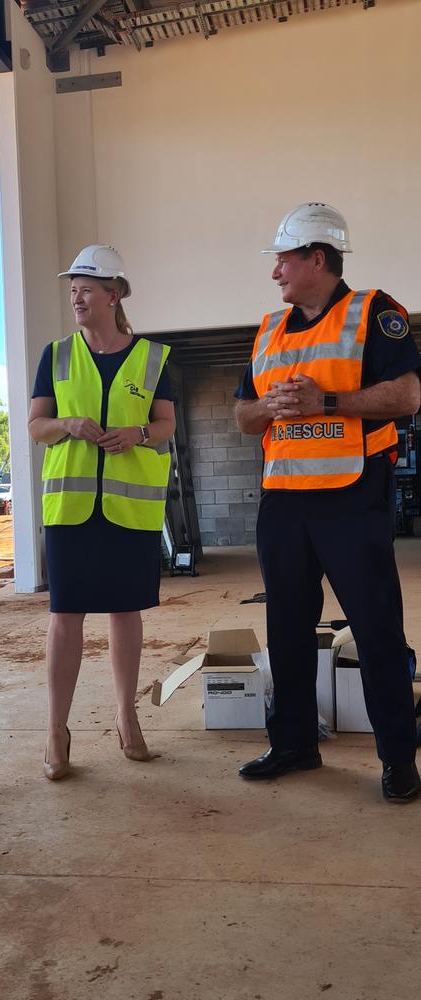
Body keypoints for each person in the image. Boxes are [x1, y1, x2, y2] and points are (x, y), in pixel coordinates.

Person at [235, 202, 421, 802]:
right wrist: (268, 409)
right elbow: (243, 415)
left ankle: (397, 756)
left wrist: (328, 404)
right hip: (284, 502)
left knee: (375, 629)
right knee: (286, 627)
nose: (275, 273)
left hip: (350, 498)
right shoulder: (267, 330)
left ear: (318, 258)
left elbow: (407, 396)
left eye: (283, 260)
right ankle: (293, 743)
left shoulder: (375, 313)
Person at [28, 245, 176, 779]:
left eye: (86, 288)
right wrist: (67, 424)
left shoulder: (154, 357)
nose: (76, 296)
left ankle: (126, 716)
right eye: (73, 289)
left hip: (128, 511)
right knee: (65, 618)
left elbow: (165, 426)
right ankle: (56, 731)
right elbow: (36, 427)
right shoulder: (57, 355)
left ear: (114, 295)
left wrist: (136, 435)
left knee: (124, 612)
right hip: (71, 510)